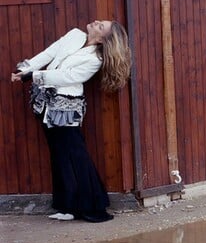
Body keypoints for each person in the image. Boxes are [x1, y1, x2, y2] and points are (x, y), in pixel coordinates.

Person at [11, 20, 131, 222]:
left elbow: (68, 76)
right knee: (58, 154)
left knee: (75, 155)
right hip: (45, 104)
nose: (97, 22)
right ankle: (66, 207)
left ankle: (92, 206)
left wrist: (34, 76)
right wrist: (26, 68)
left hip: (66, 107)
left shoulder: (96, 59)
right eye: (100, 21)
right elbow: (50, 53)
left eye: (101, 26)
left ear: (103, 39)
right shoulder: (74, 35)